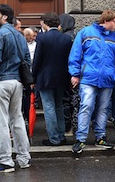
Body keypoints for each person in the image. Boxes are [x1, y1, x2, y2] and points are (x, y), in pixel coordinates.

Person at [69, 10, 115, 154]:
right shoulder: (86, 32)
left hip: (103, 78)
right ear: (106, 20)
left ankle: (97, 137)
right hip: (90, 77)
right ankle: (82, 138)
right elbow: (75, 53)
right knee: (87, 106)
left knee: (102, 109)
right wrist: (75, 73)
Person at [0, 4, 31, 172]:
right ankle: (24, 158)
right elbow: (27, 59)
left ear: (4, 17)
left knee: (1, 122)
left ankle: (5, 161)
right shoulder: (20, 36)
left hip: (1, 81)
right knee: (17, 120)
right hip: (17, 81)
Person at [32, 12, 72, 146]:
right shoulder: (66, 39)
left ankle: (53, 138)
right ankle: (61, 135)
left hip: (45, 77)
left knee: (48, 106)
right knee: (59, 105)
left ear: (45, 23)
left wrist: (33, 77)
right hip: (62, 76)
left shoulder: (42, 38)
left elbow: (37, 59)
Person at [59, 13, 77, 136]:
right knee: (74, 101)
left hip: (66, 72)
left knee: (65, 100)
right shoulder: (76, 35)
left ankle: (67, 127)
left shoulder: (65, 37)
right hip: (75, 73)